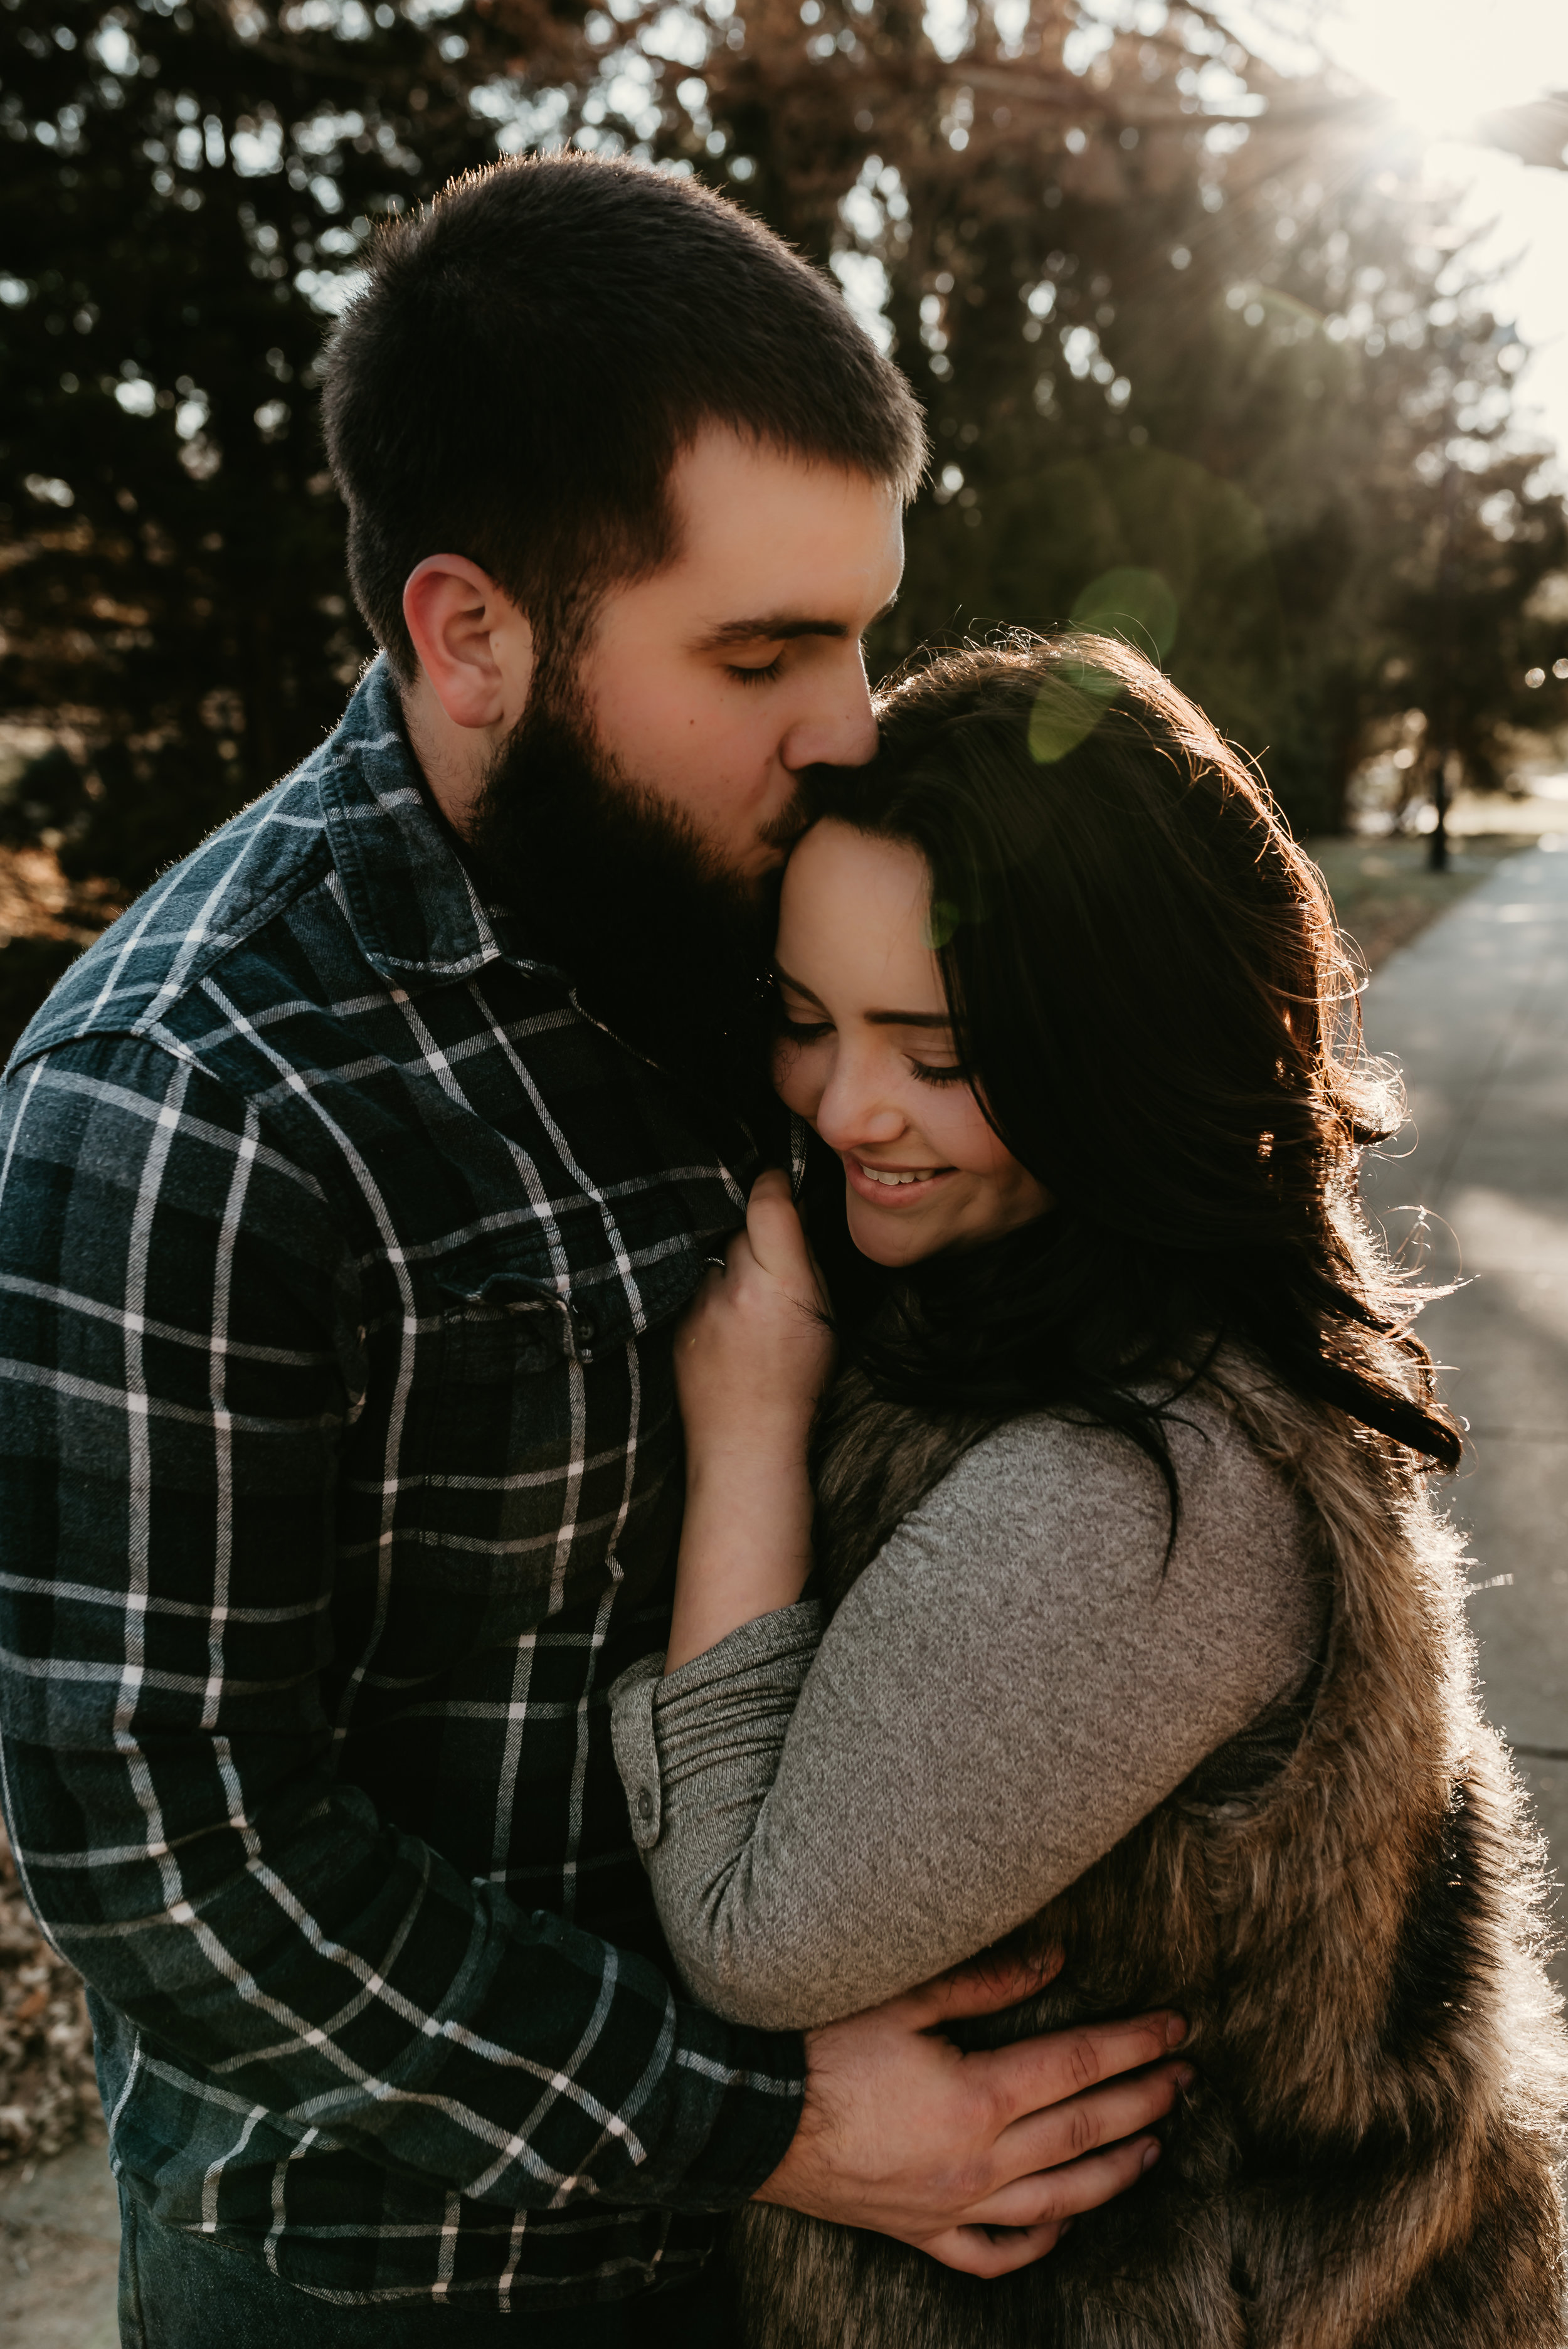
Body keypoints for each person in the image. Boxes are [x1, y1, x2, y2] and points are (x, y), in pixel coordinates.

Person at [0, 162, 1189, 2344]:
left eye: (862, 623)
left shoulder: (757, 903)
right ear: (469, 633)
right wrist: (763, 2113)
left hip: (843, 2234)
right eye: (759, 649)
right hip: (410, 2274)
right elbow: (171, 1860)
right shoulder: (193, 1100)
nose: (847, 721)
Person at [610, 636, 1568, 2347]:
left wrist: (745, 1418)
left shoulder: (1134, 1489)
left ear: (1118, 1046)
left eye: (937, 1049)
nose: (846, 1108)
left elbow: (753, 1934)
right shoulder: (1057, 1286)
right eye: (806, 1020)